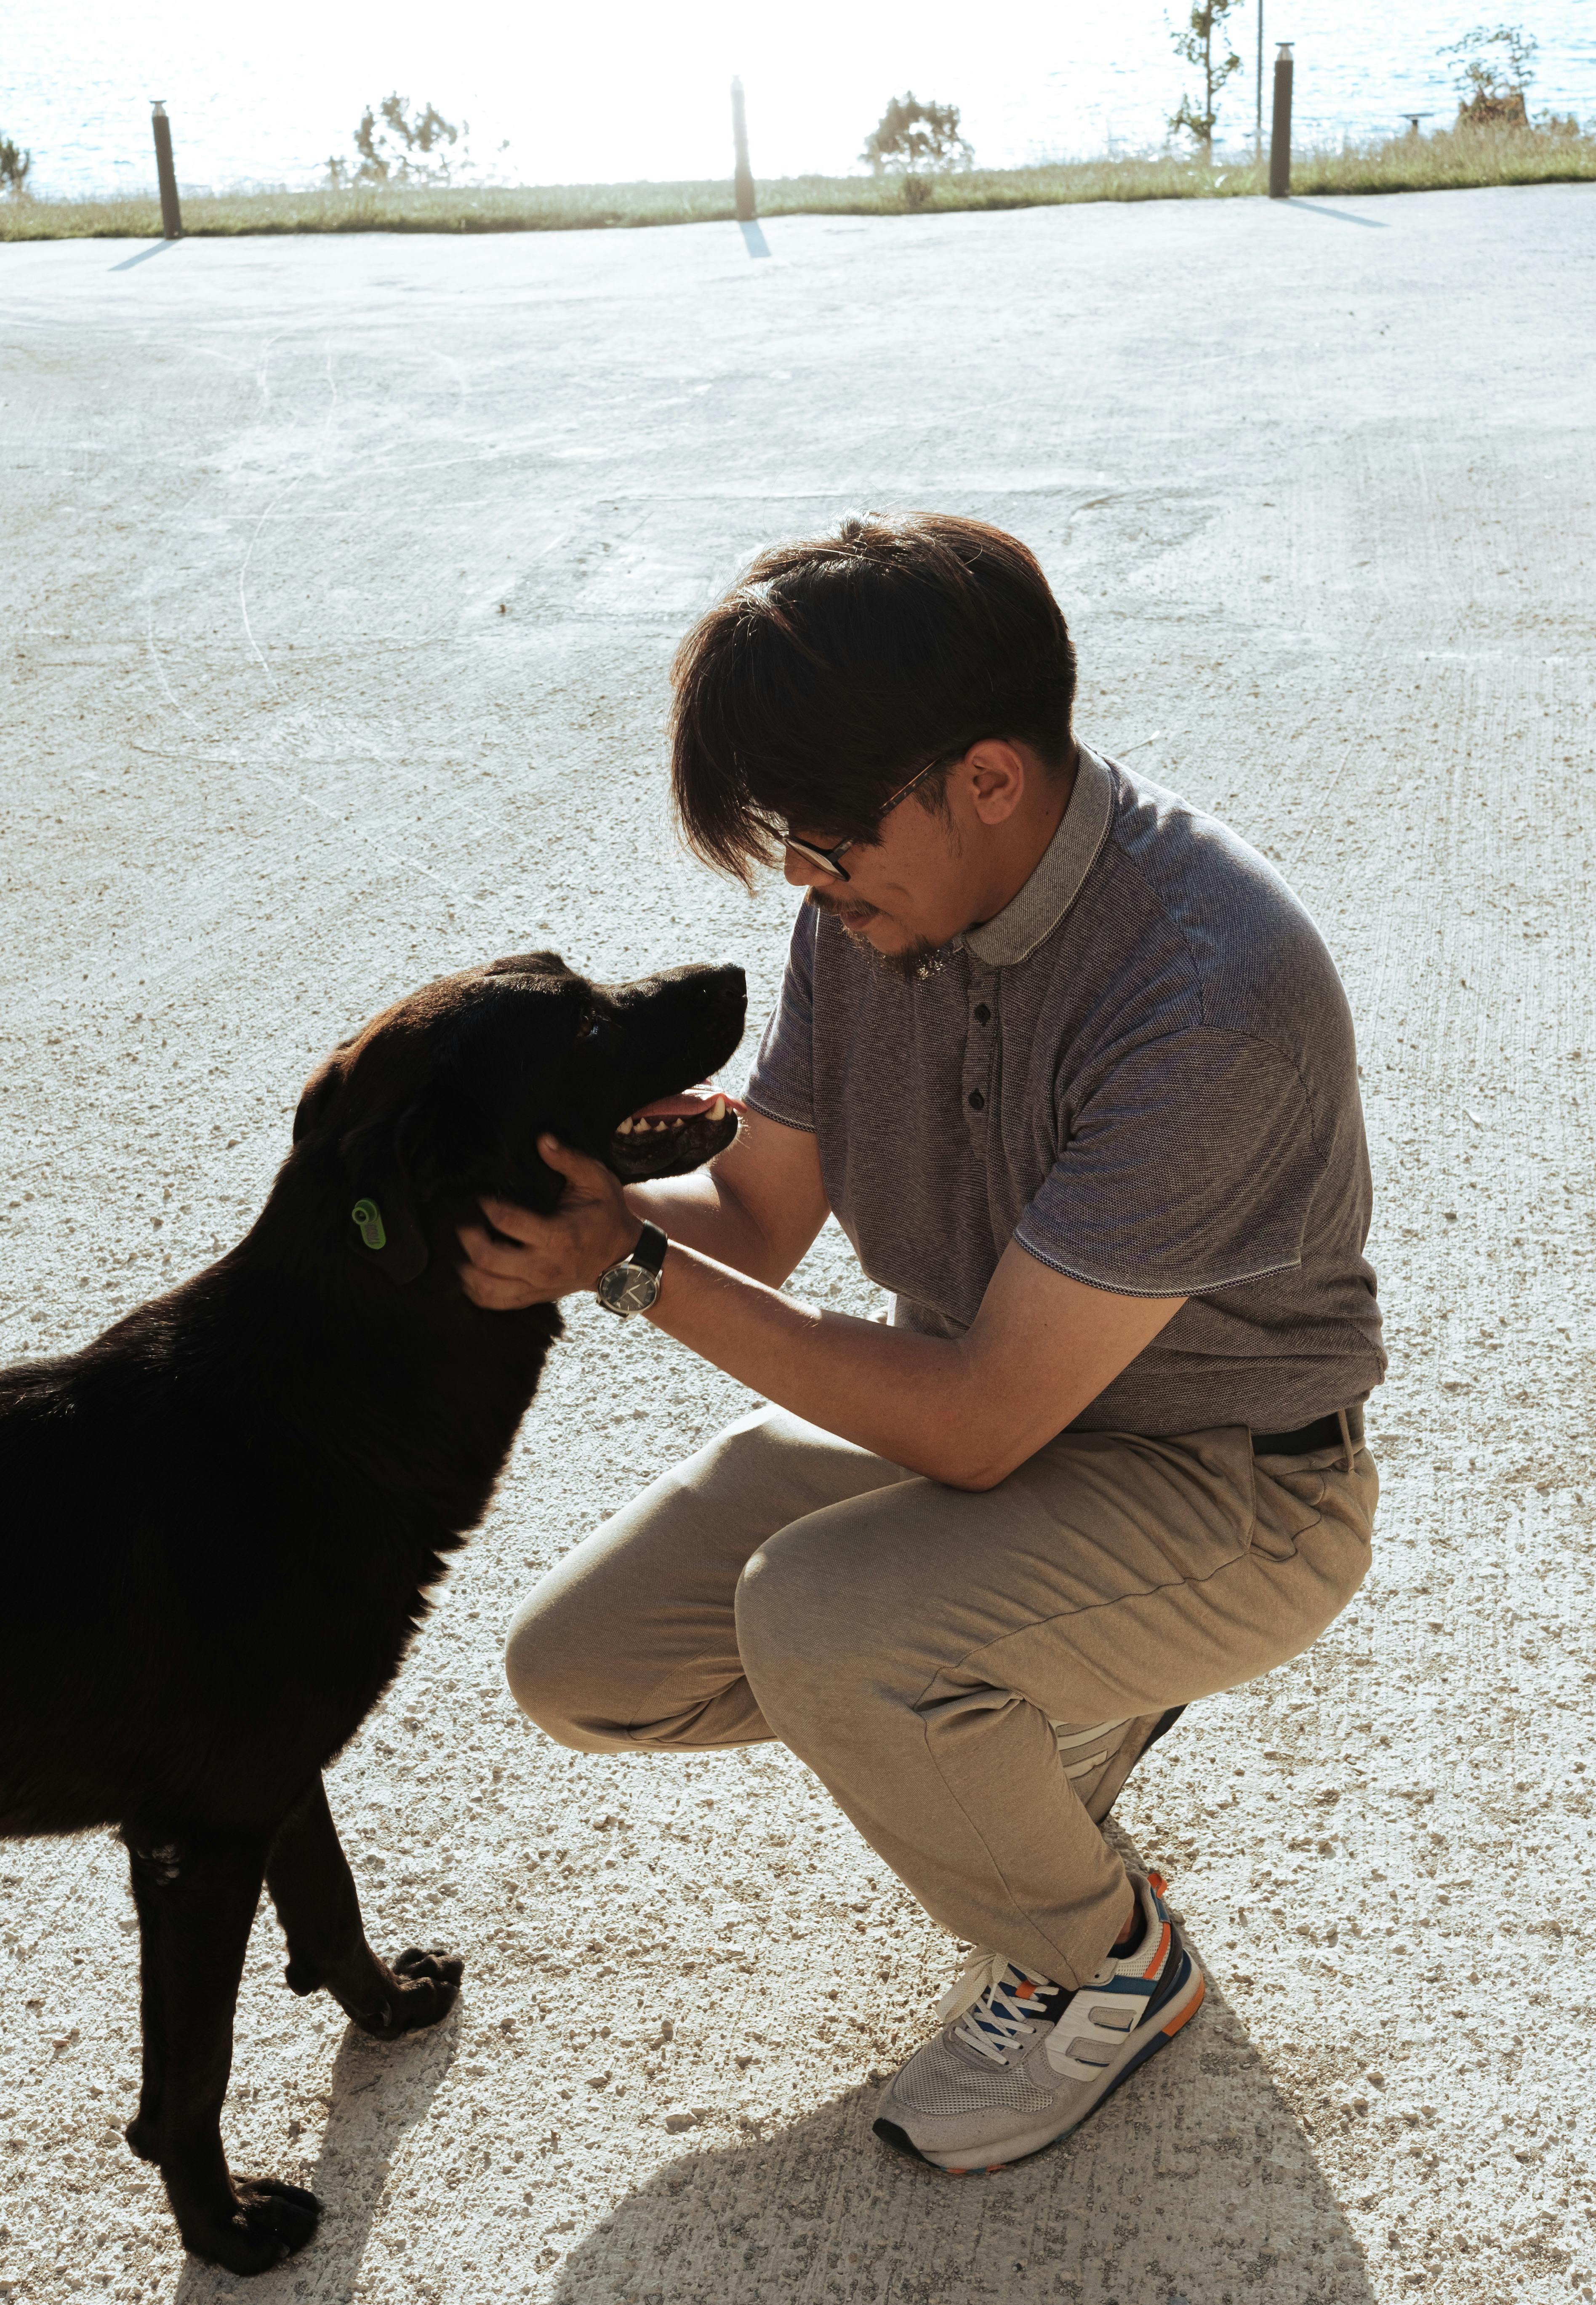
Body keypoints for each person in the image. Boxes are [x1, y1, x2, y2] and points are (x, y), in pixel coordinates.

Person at [462, 512, 1384, 2176]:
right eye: (789, 850)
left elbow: (971, 1426)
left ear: (988, 781)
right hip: (999, 1440)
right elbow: (758, 1223)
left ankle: (1108, 1965)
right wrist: (581, 1200)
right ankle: (1047, 1709)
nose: (807, 881)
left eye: (826, 838)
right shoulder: (864, 918)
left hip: (1232, 1492)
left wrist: (626, 1279)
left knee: (820, 1621)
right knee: (580, 1668)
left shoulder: (1209, 991)